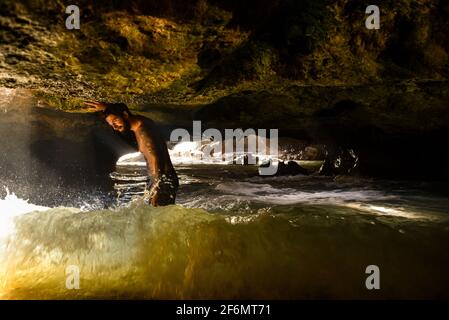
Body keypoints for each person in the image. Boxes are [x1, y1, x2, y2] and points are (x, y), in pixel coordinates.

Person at [84, 101, 179, 206]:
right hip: (164, 180)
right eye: (111, 124)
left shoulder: (144, 133)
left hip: (163, 182)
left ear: (125, 114)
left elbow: (156, 159)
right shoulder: (142, 122)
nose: (115, 127)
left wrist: (157, 188)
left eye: (115, 121)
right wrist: (106, 108)